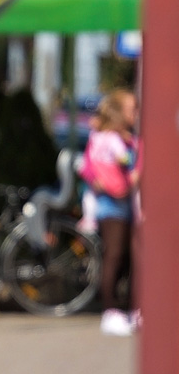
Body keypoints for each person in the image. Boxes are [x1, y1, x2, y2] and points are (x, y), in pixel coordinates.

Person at [80, 89, 139, 336]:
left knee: (125, 256)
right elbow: (125, 162)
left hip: (115, 203)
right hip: (113, 204)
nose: (135, 114)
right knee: (114, 255)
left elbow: (86, 167)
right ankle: (111, 311)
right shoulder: (115, 141)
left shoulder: (99, 138)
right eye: (132, 109)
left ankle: (122, 310)